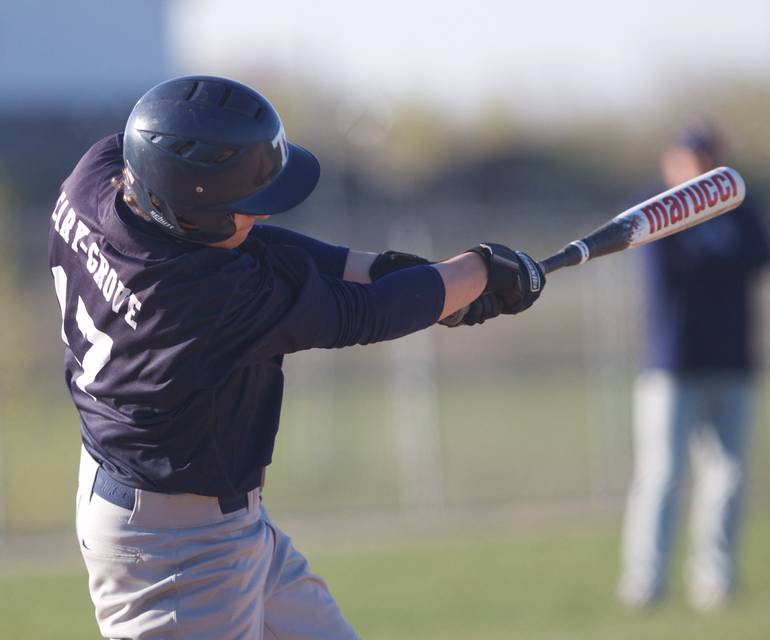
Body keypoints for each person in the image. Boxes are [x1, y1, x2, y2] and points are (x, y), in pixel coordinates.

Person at [48, 75, 544, 639]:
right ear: (188, 209)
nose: (261, 215)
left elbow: (249, 248)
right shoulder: (197, 302)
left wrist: (380, 266)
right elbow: (365, 314)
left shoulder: (99, 177)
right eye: (245, 204)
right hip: (176, 548)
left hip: (182, 508)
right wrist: (478, 271)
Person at [617, 122, 770, 611]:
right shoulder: (654, 206)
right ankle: (645, 582)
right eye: (690, 156)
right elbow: (663, 268)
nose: (699, 166)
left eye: (707, 157)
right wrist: (722, 263)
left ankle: (715, 581)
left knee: (727, 475)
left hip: (732, 360)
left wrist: (712, 260)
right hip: (672, 363)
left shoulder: (739, 204)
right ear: (672, 159)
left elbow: (767, 255)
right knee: (662, 474)